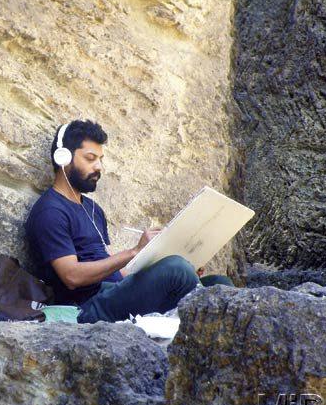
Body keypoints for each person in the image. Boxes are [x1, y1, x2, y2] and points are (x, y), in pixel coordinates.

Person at [24, 120, 233, 323]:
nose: (98, 167)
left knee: (217, 284)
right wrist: (133, 252)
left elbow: (113, 273)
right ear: (63, 158)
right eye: (90, 158)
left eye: (100, 159)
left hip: (113, 293)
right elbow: (72, 277)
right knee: (176, 270)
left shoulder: (93, 209)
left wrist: (165, 260)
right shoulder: (50, 211)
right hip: (86, 308)